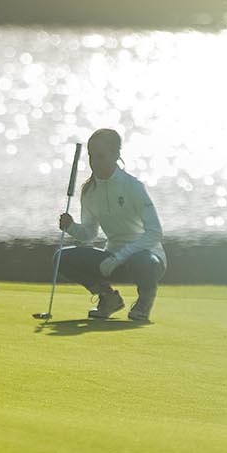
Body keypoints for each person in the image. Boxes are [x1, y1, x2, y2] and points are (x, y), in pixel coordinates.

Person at [56, 128, 166, 322]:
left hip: (146, 257)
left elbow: (154, 233)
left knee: (145, 263)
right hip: (112, 259)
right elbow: (90, 234)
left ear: (116, 155)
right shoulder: (89, 191)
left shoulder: (132, 186)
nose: (94, 162)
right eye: (91, 156)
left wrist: (119, 258)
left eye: (101, 156)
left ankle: (145, 300)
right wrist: (72, 227)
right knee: (61, 258)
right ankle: (108, 297)